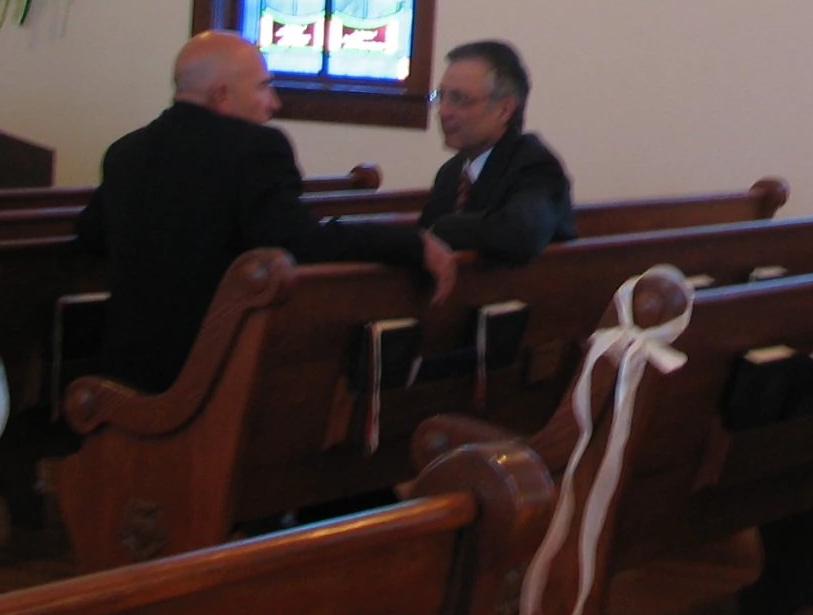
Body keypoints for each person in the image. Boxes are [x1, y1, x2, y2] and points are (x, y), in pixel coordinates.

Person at [76, 31, 455, 394]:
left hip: (126, 373)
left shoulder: (125, 152)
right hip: (215, 373)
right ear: (222, 95)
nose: (274, 103)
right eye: (263, 86)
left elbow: (91, 234)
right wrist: (410, 243)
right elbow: (299, 245)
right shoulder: (254, 148)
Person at [420, 40, 575, 263]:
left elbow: (521, 234)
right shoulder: (452, 172)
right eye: (441, 97)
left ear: (504, 109)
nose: (443, 113)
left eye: (459, 99)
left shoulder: (536, 166)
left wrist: (444, 227)